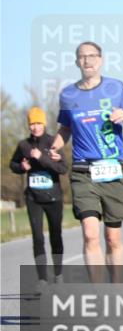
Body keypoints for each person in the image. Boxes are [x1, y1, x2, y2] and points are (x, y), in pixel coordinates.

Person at [52, 41, 123, 283]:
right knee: (90, 234)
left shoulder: (115, 88)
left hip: (113, 168)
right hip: (83, 171)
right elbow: (65, 129)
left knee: (113, 239)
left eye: (92, 56)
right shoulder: (68, 95)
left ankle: (117, 289)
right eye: (82, 57)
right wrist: (54, 146)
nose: (87, 60)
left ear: (100, 60)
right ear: (77, 62)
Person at [10, 107, 68, 290]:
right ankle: (42, 279)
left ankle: (58, 275)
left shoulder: (53, 143)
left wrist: (41, 157)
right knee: (37, 238)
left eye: (38, 123)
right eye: (32, 124)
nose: (35, 127)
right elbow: (13, 164)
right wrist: (22, 167)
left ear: (44, 123)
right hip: (33, 197)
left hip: (54, 198)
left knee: (55, 236)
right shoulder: (23, 145)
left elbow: (63, 169)